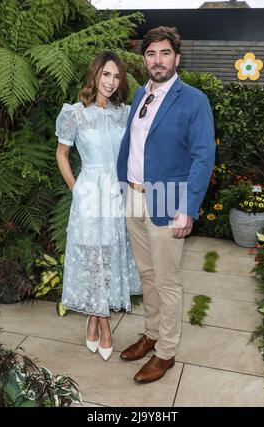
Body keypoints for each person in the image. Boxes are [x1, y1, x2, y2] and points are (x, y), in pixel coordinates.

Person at [117, 26, 215, 383]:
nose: (157, 61)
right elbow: (133, 144)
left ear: (177, 57)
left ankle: (166, 352)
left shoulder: (193, 100)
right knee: (147, 275)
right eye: (151, 54)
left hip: (168, 199)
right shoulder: (140, 94)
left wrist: (187, 207)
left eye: (164, 54)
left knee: (168, 280)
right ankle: (152, 333)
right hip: (134, 195)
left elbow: (203, 157)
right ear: (144, 59)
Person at [55, 52, 141, 361]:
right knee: (92, 260)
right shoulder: (75, 114)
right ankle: (106, 326)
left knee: (108, 258)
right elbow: (61, 154)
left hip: (116, 196)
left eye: (117, 77)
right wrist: (76, 189)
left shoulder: (124, 113)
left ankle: (93, 318)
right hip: (89, 194)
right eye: (106, 74)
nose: (111, 81)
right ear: (95, 75)